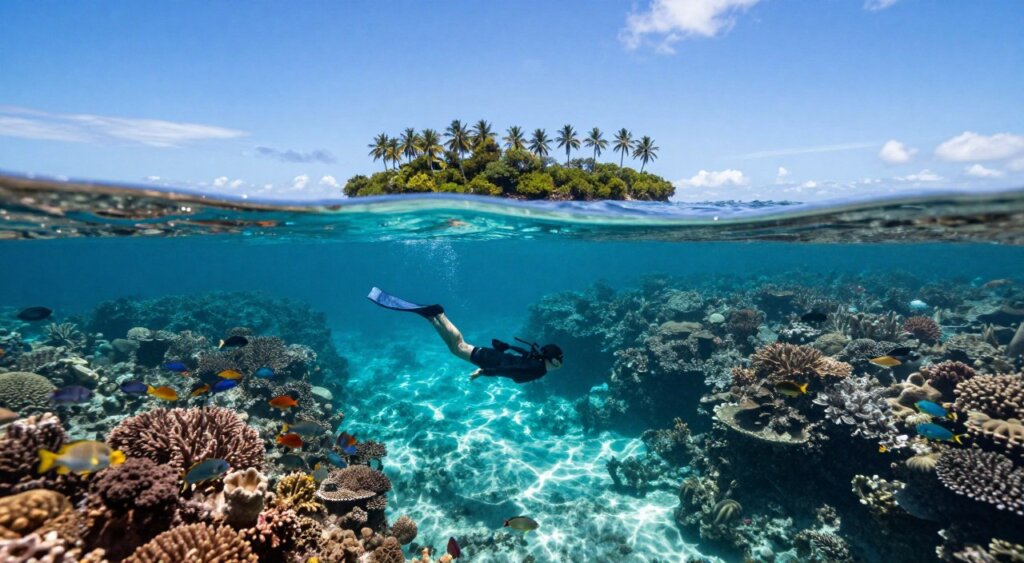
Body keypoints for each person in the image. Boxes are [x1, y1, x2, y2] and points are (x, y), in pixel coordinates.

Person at [367, 287, 563, 383]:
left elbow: (520, 357)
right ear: (553, 360)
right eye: (560, 360)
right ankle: (439, 314)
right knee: (459, 345)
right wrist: (485, 371)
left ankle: (432, 318)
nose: (561, 363)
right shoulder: (538, 369)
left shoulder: (538, 364)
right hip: (491, 360)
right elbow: (511, 369)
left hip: (494, 357)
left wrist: (506, 347)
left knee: (455, 348)